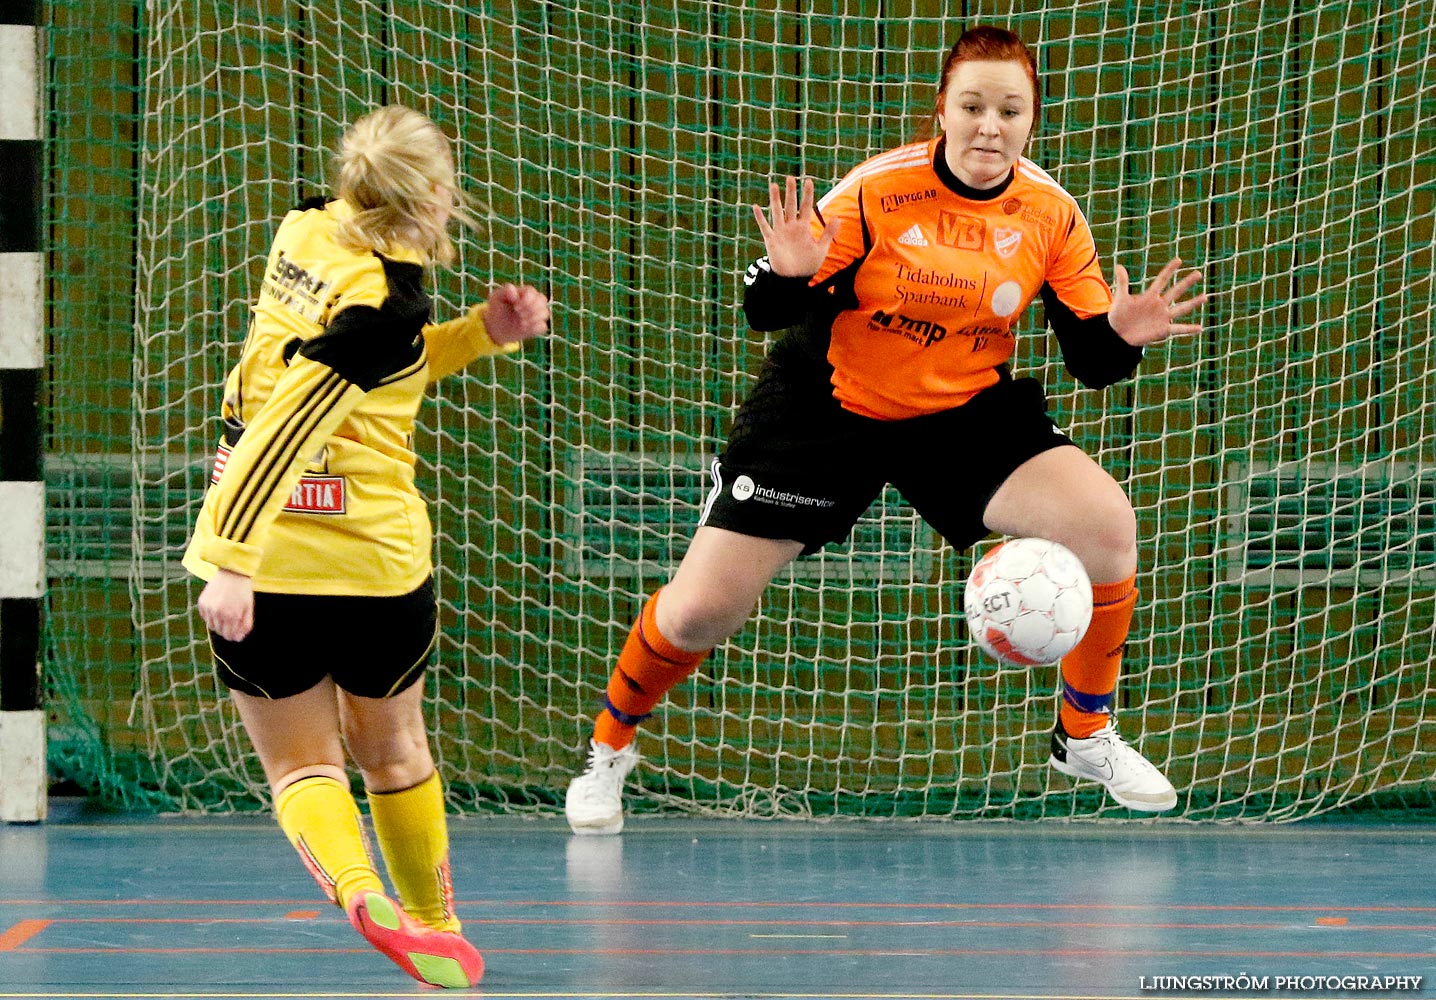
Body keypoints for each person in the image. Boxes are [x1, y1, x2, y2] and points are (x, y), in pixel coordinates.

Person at [565, 25, 1207, 834]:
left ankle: (1085, 732)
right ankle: (608, 750)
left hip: (961, 412)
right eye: (972, 105)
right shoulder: (878, 190)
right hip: (827, 409)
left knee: (1106, 525)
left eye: (1010, 110)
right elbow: (766, 307)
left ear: (1033, 119)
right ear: (942, 108)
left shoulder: (1050, 213)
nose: (989, 125)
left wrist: (1122, 333)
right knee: (698, 613)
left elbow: (1091, 360)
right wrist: (791, 272)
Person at [183, 105, 549, 987]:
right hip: (367, 565)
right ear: (431, 194)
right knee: (394, 751)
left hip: (277, 562)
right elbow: (292, 424)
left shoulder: (306, 227)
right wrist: (234, 557)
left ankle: (357, 892)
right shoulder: (391, 300)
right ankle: (434, 922)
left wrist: (478, 336)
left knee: (304, 766)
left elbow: (359, 369)